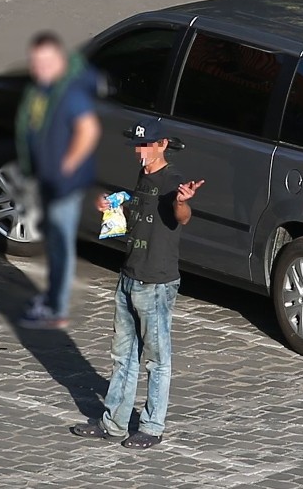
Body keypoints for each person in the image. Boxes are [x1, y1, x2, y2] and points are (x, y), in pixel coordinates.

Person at [72, 117, 204, 450]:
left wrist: (183, 200)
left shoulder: (172, 180)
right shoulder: (144, 177)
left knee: (157, 359)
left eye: (147, 145)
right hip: (129, 276)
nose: (140, 151)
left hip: (156, 283)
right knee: (123, 355)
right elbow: (138, 208)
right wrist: (114, 205)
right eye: (137, 145)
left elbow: (181, 215)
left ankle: (152, 426)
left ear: (162, 145)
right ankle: (114, 423)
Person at [15, 31, 102, 330]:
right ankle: (53, 299)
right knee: (55, 241)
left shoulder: (70, 93)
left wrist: (67, 164)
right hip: (50, 180)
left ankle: (56, 308)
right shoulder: (45, 90)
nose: (40, 67)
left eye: (47, 61)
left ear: (61, 61)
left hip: (64, 184)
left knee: (60, 244)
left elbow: (88, 130)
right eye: (36, 62)